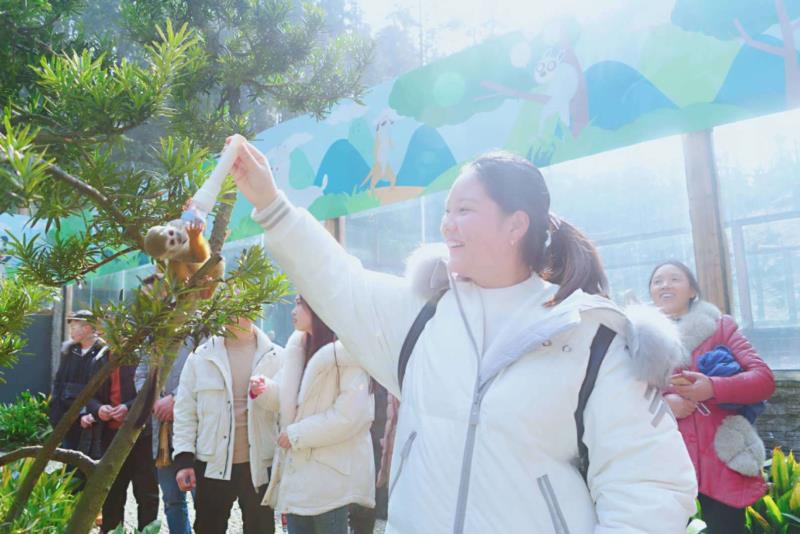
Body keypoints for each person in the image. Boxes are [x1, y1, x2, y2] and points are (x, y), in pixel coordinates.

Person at [230, 141, 698, 533]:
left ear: (516, 224)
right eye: (446, 211)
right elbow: (338, 280)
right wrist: (271, 203)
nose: (446, 225)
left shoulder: (594, 338)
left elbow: (648, 487)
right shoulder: (422, 317)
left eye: (465, 210)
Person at [651, 261, 775, 534]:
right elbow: (624, 394)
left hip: (720, 454)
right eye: (658, 281)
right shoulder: (638, 338)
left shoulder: (721, 327)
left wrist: (714, 387)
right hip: (664, 457)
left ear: (693, 291)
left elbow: (764, 380)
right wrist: (664, 405)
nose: (665, 285)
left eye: (674, 278)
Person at [252, 295, 375, 534]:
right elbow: (291, 402)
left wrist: (297, 434)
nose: (293, 310)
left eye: (300, 304)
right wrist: (265, 390)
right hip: (300, 477)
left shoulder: (347, 355)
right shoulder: (297, 348)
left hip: (330, 479)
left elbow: (351, 416)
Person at [172, 316, 282, 534]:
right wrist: (184, 458)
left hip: (260, 464)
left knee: (261, 529)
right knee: (208, 528)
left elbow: (286, 413)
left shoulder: (278, 356)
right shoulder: (201, 356)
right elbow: (185, 411)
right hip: (212, 463)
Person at [133, 272, 197, 534]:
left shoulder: (195, 328)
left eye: (157, 294)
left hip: (193, 427)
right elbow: (140, 374)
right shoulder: (152, 334)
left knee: (202, 498)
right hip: (161, 430)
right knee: (172, 500)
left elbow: (203, 372)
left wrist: (175, 399)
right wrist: (155, 401)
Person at [83, 335, 159, 533]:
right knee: (112, 494)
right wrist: (99, 409)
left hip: (140, 435)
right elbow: (89, 395)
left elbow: (151, 392)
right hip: (110, 435)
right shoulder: (99, 359)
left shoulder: (142, 357)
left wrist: (128, 408)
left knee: (146, 493)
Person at [50, 310, 107, 481]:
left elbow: (102, 388)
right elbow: (59, 383)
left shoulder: (102, 352)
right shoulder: (70, 351)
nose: (71, 332)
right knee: (70, 464)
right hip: (69, 418)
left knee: (90, 465)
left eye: (75, 327)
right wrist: (57, 416)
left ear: (88, 328)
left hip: (93, 418)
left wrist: (90, 413)